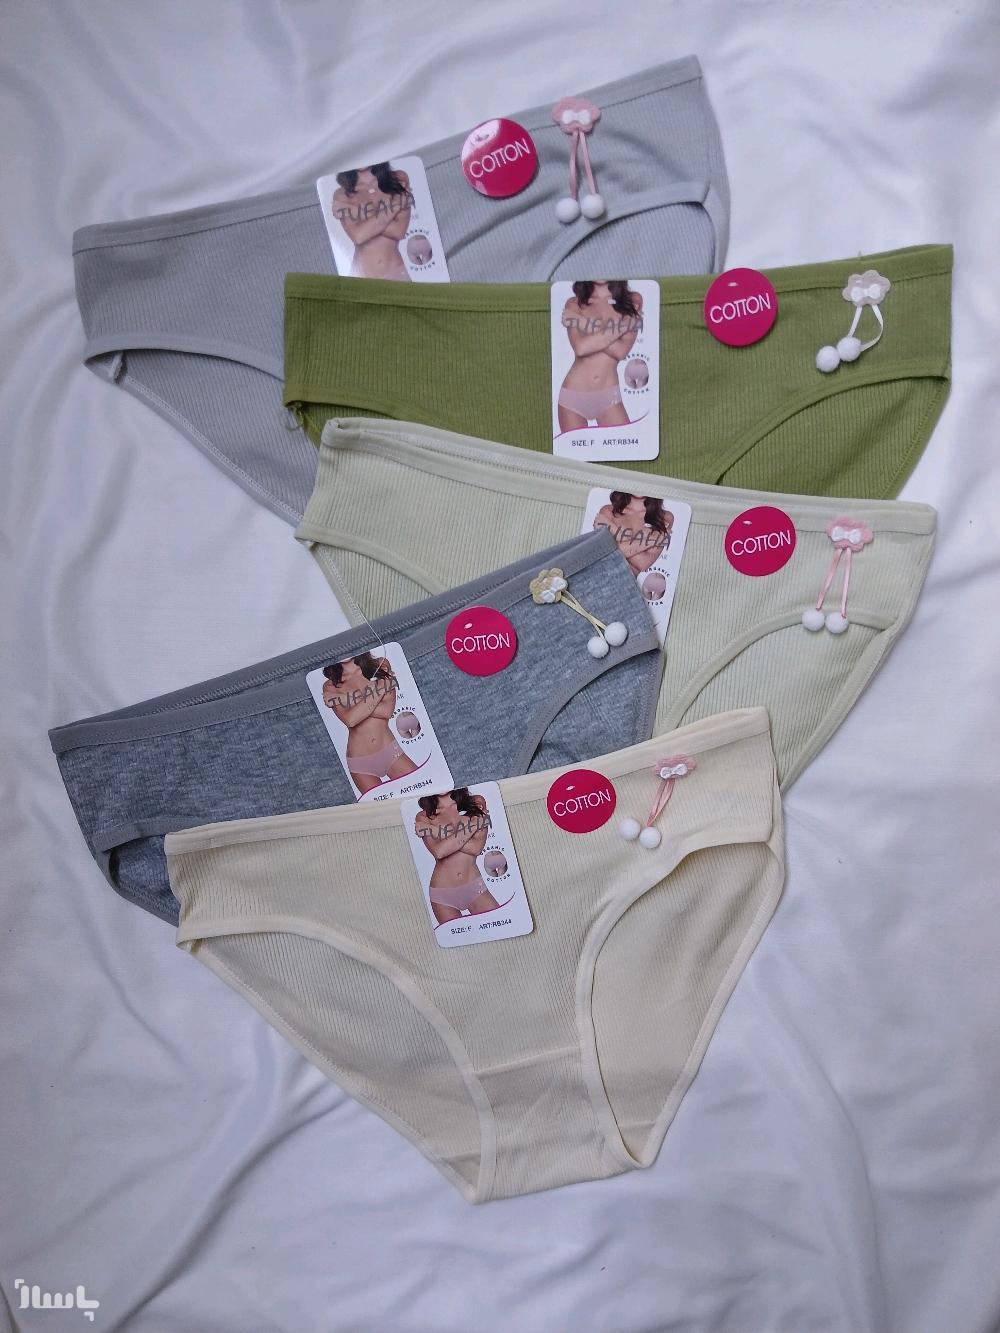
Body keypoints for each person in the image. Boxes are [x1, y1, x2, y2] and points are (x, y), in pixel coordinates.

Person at [322, 653, 417, 794]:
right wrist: (380, 688)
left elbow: (387, 711)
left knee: (425, 792)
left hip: (390, 752)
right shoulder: (330, 685)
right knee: (381, 808)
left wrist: (347, 699)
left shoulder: (380, 664)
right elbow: (351, 720)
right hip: (358, 761)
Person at [557, 281, 643, 431]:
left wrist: (584, 323)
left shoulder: (632, 300)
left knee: (626, 445)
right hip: (572, 395)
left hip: (609, 396)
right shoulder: (574, 303)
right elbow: (581, 348)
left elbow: (620, 352)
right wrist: (623, 327)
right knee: (572, 448)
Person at [414, 789, 500, 924]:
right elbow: (439, 852)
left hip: (475, 888)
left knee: (501, 926)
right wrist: (473, 826)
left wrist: (436, 831)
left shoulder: (476, 802)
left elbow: (476, 848)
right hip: (442, 893)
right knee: (457, 937)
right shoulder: (424, 816)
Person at [332, 163, 413, 280]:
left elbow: (398, 231)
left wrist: (357, 212)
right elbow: (359, 236)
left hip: (397, 274)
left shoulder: (399, 178)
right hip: (362, 277)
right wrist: (395, 206)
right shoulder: (342, 194)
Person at [593, 491, 672, 576]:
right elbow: (604, 552)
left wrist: (616, 532)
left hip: (629, 582)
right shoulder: (608, 510)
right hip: (599, 576)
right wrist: (653, 540)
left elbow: (643, 563)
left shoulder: (664, 517)